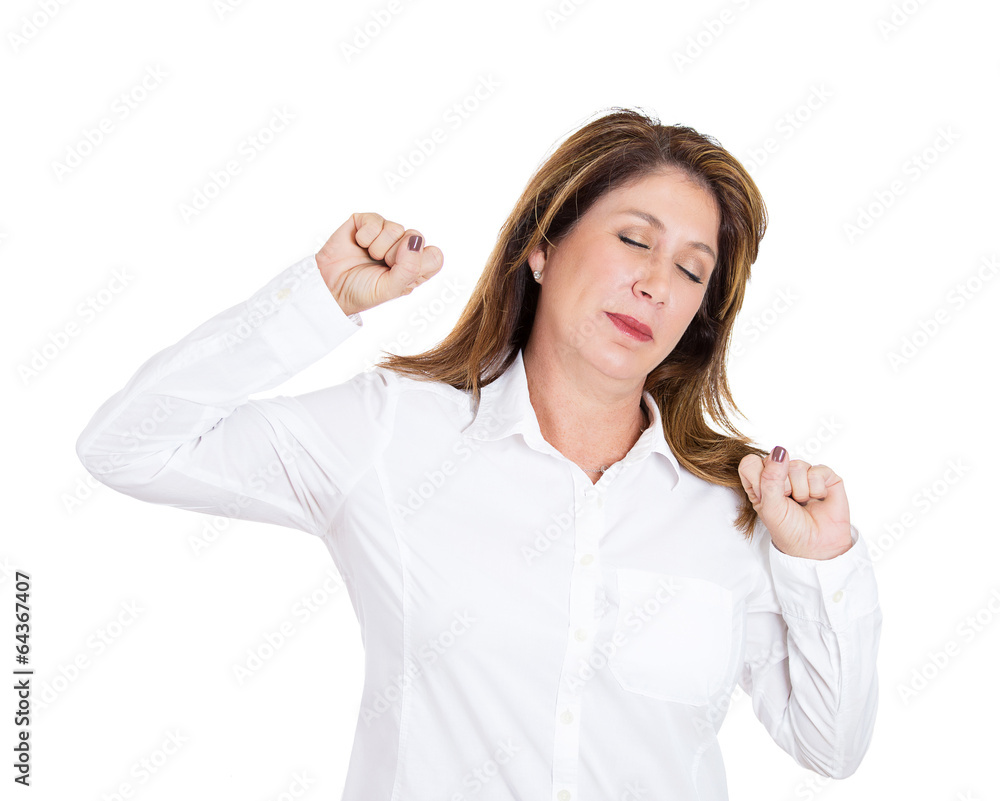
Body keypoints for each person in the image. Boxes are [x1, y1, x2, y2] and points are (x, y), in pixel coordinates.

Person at [76, 106, 881, 801]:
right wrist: (317, 300)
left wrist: (825, 565)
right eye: (634, 238)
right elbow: (127, 447)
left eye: (690, 270)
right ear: (542, 247)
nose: (655, 284)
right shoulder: (393, 433)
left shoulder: (734, 506)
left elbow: (829, 746)